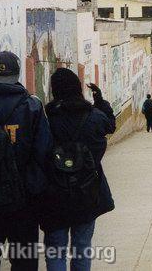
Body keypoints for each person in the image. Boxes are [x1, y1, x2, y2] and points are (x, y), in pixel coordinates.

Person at [0, 51, 52, 271]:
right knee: (24, 261)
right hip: (24, 201)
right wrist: (34, 187)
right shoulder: (32, 106)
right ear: (17, 75)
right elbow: (44, 152)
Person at [41, 68, 116, 271]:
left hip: (54, 194)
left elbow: (39, 153)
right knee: (82, 249)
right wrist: (99, 100)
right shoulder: (94, 116)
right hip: (87, 193)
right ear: (77, 88)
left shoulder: (46, 119)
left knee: (56, 250)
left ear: (54, 90)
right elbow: (110, 124)